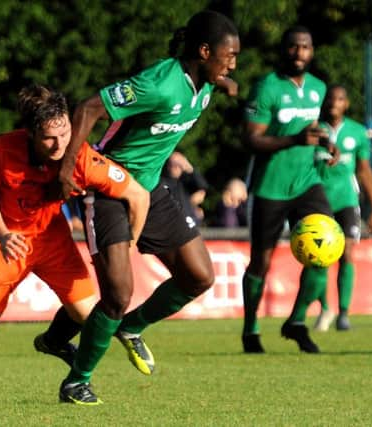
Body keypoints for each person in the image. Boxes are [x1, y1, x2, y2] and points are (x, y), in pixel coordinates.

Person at [0, 84, 149, 405]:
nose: (59, 144)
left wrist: (130, 244)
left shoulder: (79, 155)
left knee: (87, 314)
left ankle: (55, 346)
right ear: (30, 134)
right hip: (3, 240)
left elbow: (137, 194)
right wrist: (3, 235)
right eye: (49, 138)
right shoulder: (3, 149)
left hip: (51, 237)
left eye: (65, 133)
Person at [57, 10, 240, 404]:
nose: (232, 64)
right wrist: (69, 165)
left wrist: (227, 82)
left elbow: (215, 79)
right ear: (204, 51)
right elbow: (89, 108)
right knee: (118, 293)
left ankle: (131, 328)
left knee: (199, 276)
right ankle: (77, 381)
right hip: (107, 188)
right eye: (229, 56)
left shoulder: (204, 84)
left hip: (151, 190)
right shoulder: (158, 83)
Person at [241, 25, 338, 354]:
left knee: (327, 248)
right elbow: (252, 140)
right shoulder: (266, 87)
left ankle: (296, 321)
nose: (300, 53)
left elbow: (316, 130)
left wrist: (328, 144)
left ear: (313, 51)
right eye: (294, 47)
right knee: (261, 262)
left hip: (308, 182)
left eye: (306, 47)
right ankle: (250, 329)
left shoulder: (318, 88)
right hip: (270, 187)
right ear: (284, 50)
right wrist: (294, 140)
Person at [311, 85, 372, 332]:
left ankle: (343, 313)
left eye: (340, 98)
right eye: (330, 98)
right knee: (319, 258)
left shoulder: (357, 132)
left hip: (347, 200)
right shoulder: (313, 129)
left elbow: (364, 170)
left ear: (346, 104)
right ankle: (324, 307)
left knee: (347, 253)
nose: (334, 103)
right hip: (318, 199)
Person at [160, 151, 209, 226]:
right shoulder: (162, 181)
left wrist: (188, 167)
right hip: (171, 223)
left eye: (179, 164)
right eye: (172, 164)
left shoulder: (186, 181)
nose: (175, 167)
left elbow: (202, 185)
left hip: (189, 222)